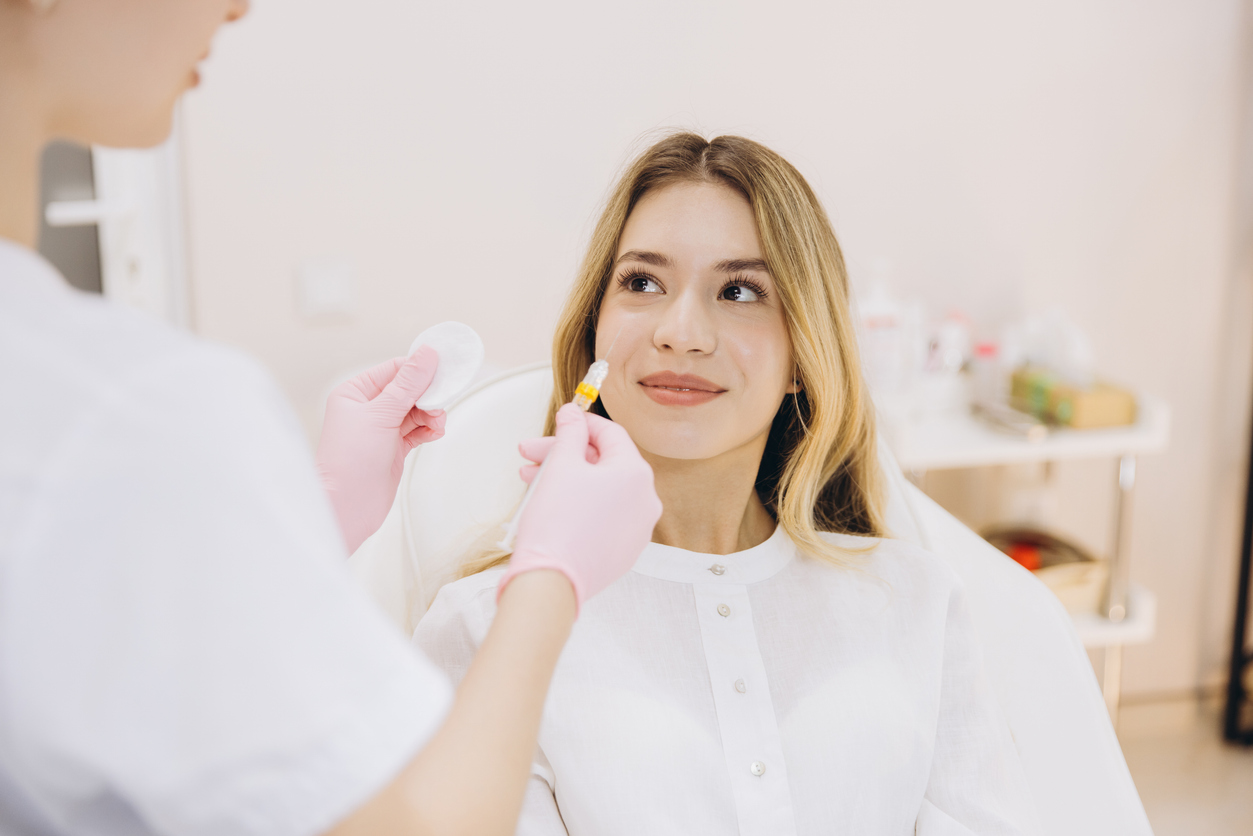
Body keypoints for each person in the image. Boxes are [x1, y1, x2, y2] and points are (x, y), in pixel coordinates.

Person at [0, 2, 660, 835]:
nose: (238, 5)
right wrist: (551, 577)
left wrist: (317, 514)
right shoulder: (125, 414)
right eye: (641, 282)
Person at [415, 133, 1044, 835]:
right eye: (642, 282)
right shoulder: (482, 628)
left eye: (739, 290)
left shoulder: (913, 600)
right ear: (595, 328)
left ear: (805, 352)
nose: (681, 333)